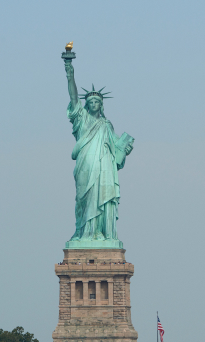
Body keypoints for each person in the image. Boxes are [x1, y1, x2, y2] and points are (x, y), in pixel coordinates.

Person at [65, 60, 133, 242]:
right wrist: (69, 73)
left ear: (101, 105)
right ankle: (84, 232)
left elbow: (117, 148)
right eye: (90, 101)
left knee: (102, 197)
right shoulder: (82, 120)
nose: (94, 103)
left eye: (97, 101)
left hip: (104, 168)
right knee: (84, 198)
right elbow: (73, 98)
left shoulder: (106, 125)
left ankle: (100, 232)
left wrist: (126, 148)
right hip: (86, 164)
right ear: (86, 105)